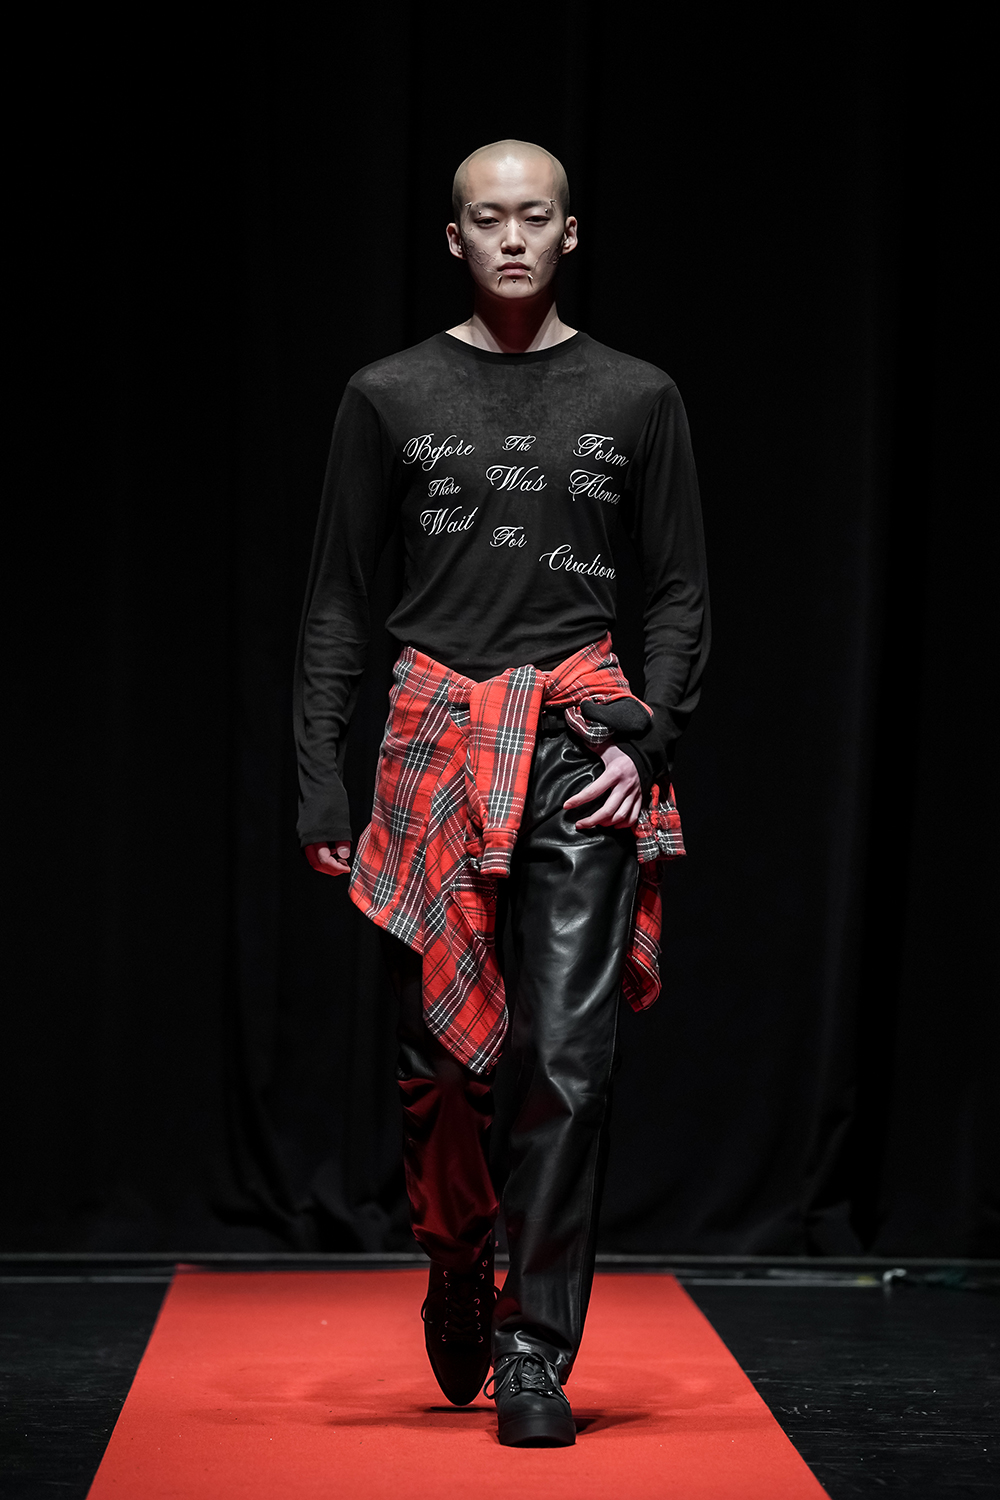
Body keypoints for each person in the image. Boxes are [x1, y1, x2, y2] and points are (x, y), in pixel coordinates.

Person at [295, 139, 709, 1447]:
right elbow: (337, 597)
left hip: (580, 749)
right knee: (440, 1069)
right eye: (489, 219)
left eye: (536, 217)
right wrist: (319, 777)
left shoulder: (636, 396)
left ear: (570, 232)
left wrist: (651, 741)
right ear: (456, 237)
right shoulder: (389, 395)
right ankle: (456, 1255)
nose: (513, 238)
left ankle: (535, 1346)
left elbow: (681, 589)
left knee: (566, 1060)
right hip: (433, 746)